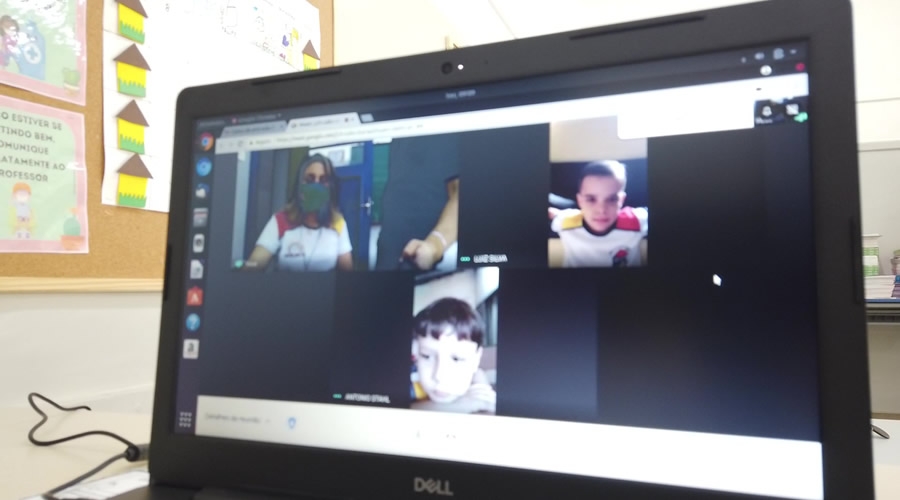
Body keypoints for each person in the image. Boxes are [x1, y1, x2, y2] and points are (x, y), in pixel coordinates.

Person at [245, 154, 352, 271]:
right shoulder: (280, 220)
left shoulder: (337, 223)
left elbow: (347, 272)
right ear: (300, 185)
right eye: (309, 180)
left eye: (323, 180)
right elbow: (252, 266)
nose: (316, 186)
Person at [375, 135, 459, 271]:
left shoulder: (448, 133)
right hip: (387, 246)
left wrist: (434, 245)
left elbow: (459, 193)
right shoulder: (402, 134)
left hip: (417, 253)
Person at [549, 161, 648, 268]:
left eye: (612, 199)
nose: (601, 210)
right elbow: (553, 214)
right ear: (580, 200)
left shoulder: (637, 220)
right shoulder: (567, 221)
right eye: (591, 199)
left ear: (621, 200)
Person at [411, 298, 496, 414]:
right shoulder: (409, 385)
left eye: (457, 359)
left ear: (476, 359)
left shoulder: (477, 376)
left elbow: (479, 374)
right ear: (415, 352)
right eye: (426, 356)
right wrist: (464, 405)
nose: (439, 376)